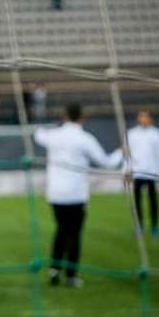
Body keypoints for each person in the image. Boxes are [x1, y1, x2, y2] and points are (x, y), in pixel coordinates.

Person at [34, 104, 122, 288]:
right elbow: (107, 163)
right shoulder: (85, 138)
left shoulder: (54, 135)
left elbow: (38, 135)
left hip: (56, 194)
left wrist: (39, 127)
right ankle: (71, 276)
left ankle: (54, 271)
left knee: (61, 230)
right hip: (75, 195)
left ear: (65, 115)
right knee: (74, 234)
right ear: (82, 117)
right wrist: (122, 152)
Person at [127, 111, 159, 238]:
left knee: (153, 201)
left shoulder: (157, 133)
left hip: (152, 173)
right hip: (137, 173)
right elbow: (127, 154)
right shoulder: (131, 133)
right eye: (141, 116)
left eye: (145, 116)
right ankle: (139, 226)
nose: (143, 119)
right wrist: (126, 170)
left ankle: (154, 226)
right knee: (136, 202)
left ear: (150, 119)